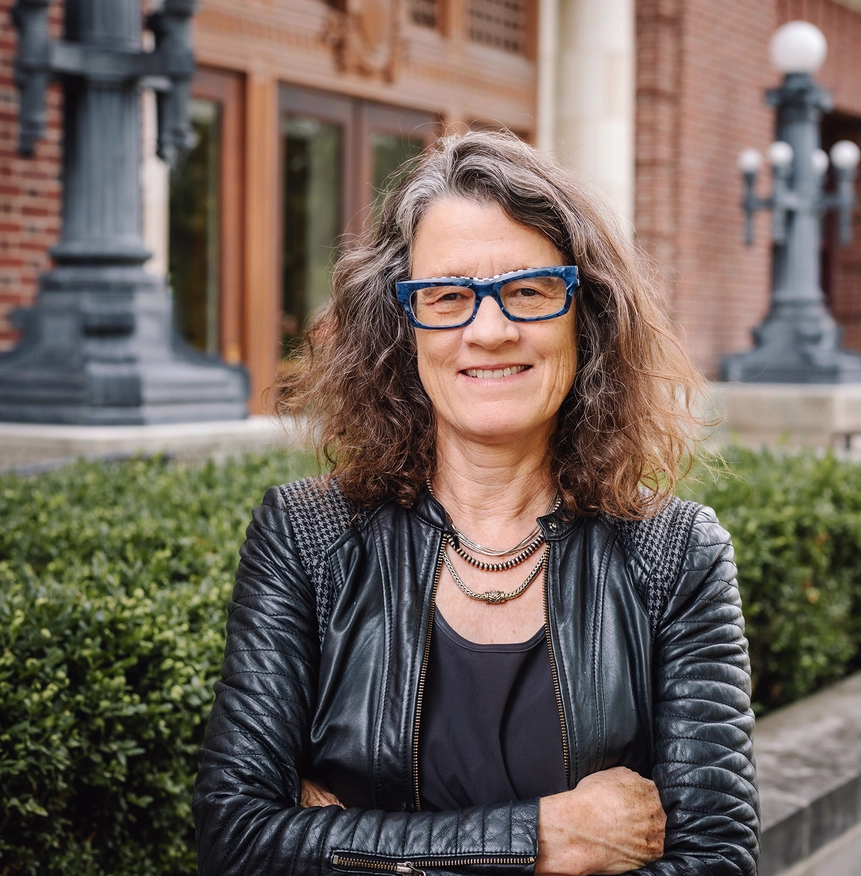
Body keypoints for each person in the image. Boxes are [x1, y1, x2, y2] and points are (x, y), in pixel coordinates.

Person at [192, 131, 759, 876]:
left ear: (583, 317)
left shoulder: (675, 555)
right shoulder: (306, 537)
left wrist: (352, 846)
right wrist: (545, 839)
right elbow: (237, 842)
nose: (488, 331)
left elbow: (714, 859)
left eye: (527, 290)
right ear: (401, 327)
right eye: (447, 296)